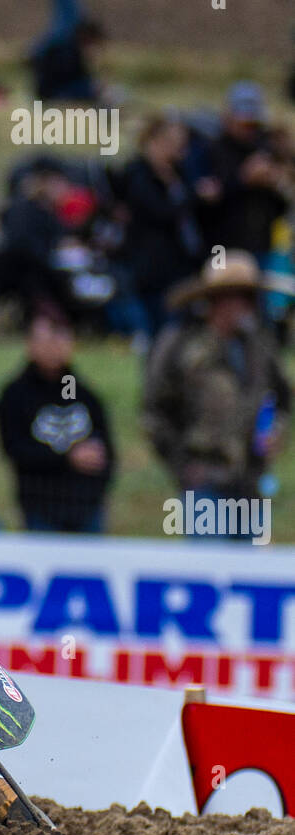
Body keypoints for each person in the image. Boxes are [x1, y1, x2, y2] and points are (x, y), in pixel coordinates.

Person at [144, 251, 290, 521]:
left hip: (249, 482)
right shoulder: (181, 345)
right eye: (239, 297)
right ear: (218, 300)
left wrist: (276, 431)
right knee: (209, 558)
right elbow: (155, 411)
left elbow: (283, 397)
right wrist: (182, 466)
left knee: (248, 562)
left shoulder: (259, 346)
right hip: (204, 481)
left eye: (250, 297)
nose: (247, 306)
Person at [0, 305, 115, 533]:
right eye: (47, 339)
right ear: (30, 345)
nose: (54, 347)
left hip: (86, 508)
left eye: (60, 338)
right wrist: (66, 458)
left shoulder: (85, 395)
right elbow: (14, 448)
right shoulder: (15, 394)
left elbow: (107, 451)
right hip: (41, 508)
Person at [121, 115, 204, 338]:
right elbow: (161, 212)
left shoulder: (179, 174)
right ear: (154, 142)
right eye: (173, 144)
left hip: (180, 268)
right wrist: (195, 196)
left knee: (181, 334)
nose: (180, 150)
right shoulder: (139, 175)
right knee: (159, 334)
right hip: (153, 272)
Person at [202, 83, 294, 260]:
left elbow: (280, 208)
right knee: (222, 286)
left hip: (262, 246)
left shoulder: (266, 149)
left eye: (254, 124)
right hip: (220, 247)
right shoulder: (210, 150)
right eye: (244, 123)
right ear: (228, 118)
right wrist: (243, 179)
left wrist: (276, 183)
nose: (250, 129)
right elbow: (204, 205)